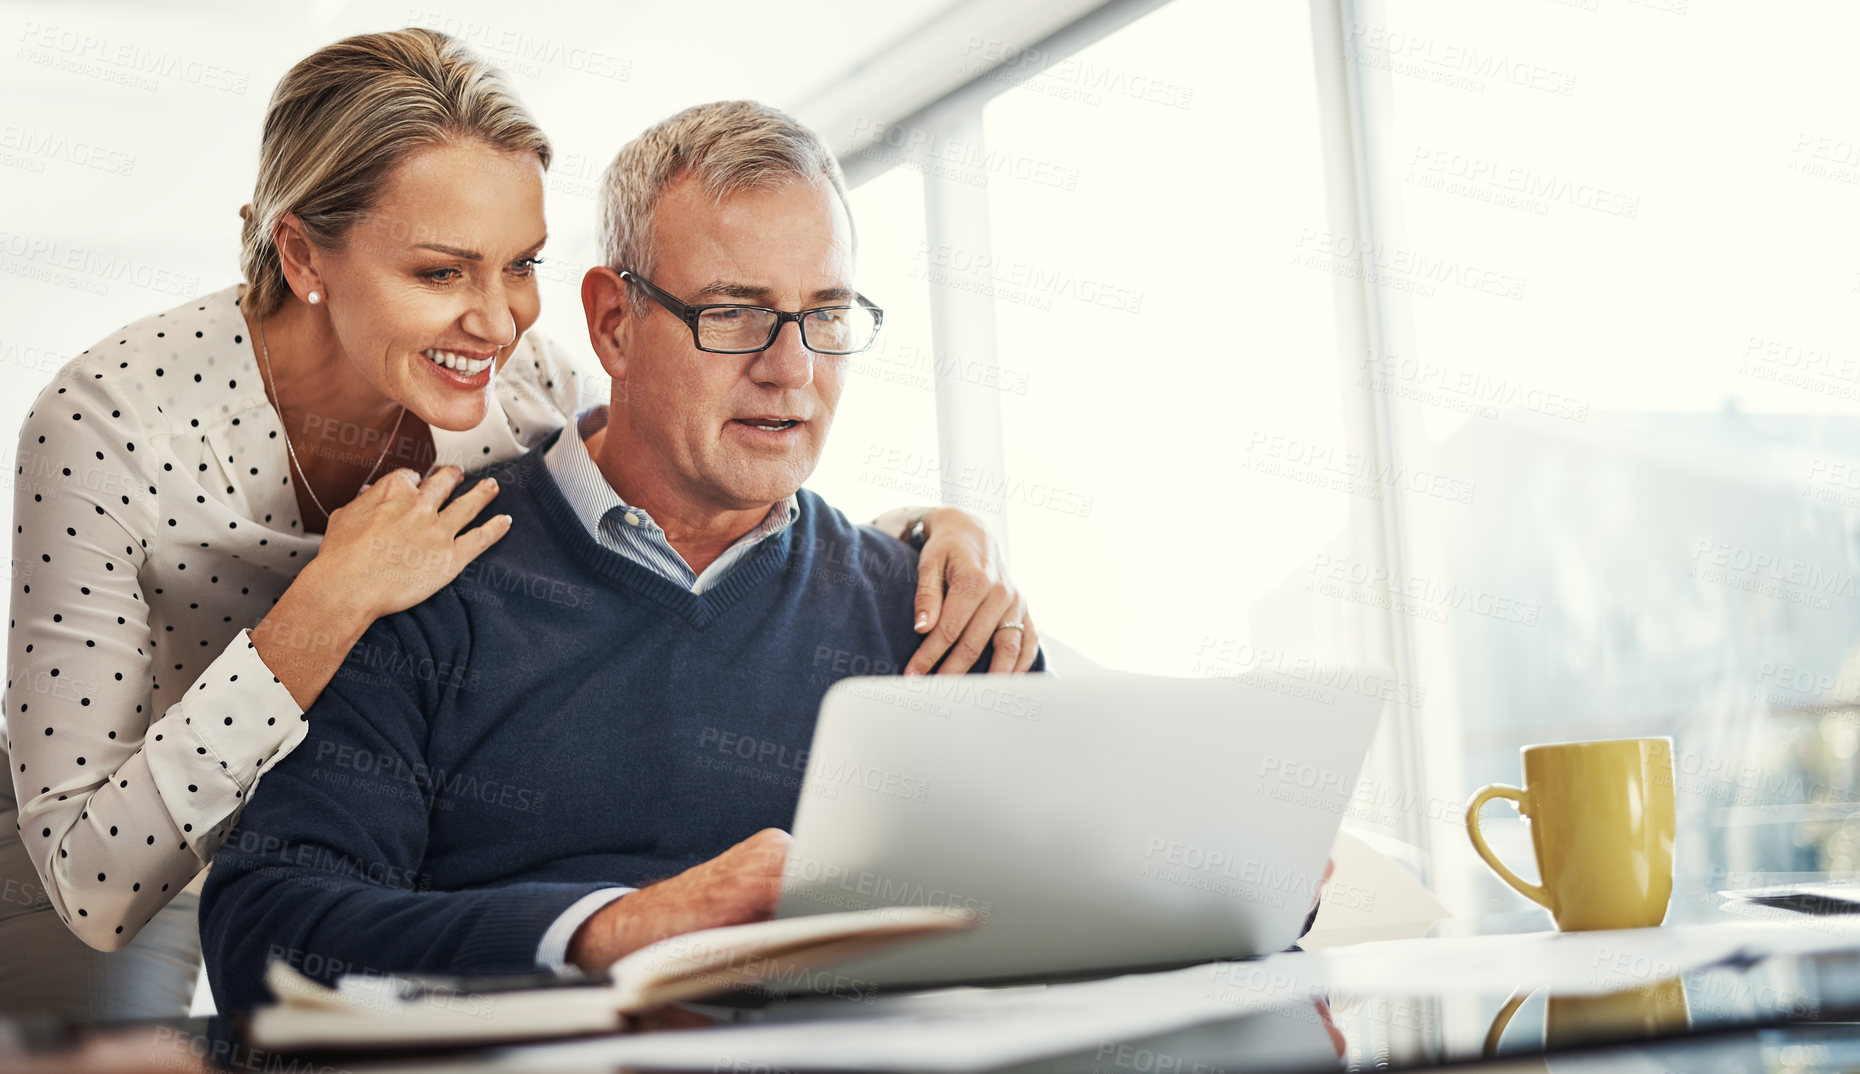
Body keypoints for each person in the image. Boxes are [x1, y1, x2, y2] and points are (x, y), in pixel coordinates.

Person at [1, 30, 1037, 1023]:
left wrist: (919, 542)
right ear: (304, 257)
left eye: (520, 265)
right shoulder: (111, 424)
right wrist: (333, 601)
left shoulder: (518, 380)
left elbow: (689, 456)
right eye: (442, 271)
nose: (497, 320)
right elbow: (111, 888)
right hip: (110, 834)